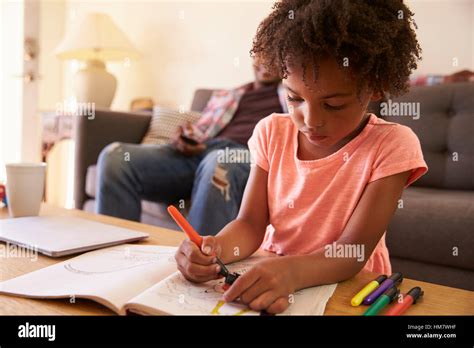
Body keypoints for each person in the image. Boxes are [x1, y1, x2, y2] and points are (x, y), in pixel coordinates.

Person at [175, 0, 428, 314]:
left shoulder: (392, 145)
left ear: (374, 88)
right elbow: (251, 225)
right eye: (294, 98)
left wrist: (290, 273)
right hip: (273, 275)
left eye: (334, 104)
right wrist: (215, 251)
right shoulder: (271, 131)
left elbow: (353, 251)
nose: (310, 120)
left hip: (353, 290)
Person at [96, 57, 287, 235]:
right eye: (261, 55)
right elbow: (201, 128)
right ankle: (116, 256)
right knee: (115, 156)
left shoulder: (290, 95)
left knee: (219, 164)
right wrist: (183, 138)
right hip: (200, 152)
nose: (266, 62)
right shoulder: (228, 95)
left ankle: (197, 263)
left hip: (241, 155)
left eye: (273, 56)